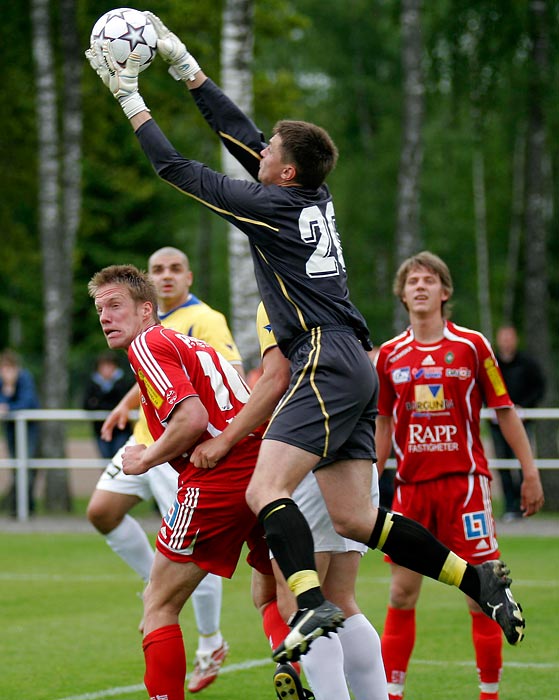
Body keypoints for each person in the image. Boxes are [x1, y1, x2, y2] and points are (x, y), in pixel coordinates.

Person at [86, 16, 526, 664]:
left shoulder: (271, 207)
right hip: (356, 361)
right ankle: (477, 579)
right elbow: (239, 134)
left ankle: (309, 601)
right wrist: (185, 66)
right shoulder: (310, 194)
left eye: (268, 155)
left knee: (263, 490)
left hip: (319, 357)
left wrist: (130, 96)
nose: (257, 153)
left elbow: (176, 167)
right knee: (353, 518)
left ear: (284, 173)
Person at [88, 263, 274, 700]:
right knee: (274, 594)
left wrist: (147, 458)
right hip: (261, 467)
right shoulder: (182, 341)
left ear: (146, 310)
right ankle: (313, 679)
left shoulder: (148, 345)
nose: (105, 317)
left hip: (219, 475)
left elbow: (192, 419)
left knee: (158, 603)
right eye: (100, 310)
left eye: (115, 306)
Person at [191, 302, 388, 700]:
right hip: (352, 452)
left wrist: (227, 439)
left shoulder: (281, 297)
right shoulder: (336, 297)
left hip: (307, 453)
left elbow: (276, 378)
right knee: (340, 600)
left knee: (301, 604)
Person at [374, 251, 545, 700]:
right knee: (401, 595)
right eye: (412, 280)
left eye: (429, 279)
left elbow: (504, 412)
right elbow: (384, 423)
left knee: (481, 594)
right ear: (402, 293)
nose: (419, 286)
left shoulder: (472, 346)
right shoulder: (389, 355)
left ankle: (488, 694)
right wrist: (370, 482)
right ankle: (393, 693)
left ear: (444, 292)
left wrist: (530, 473)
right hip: (411, 491)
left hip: (465, 486)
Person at [489, 325, 546, 521]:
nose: (506, 342)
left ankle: (526, 503)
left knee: (523, 460)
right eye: (503, 338)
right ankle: (509, 505)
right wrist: (489, 407)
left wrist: (525, 407)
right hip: (496, 422)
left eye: (509, 338)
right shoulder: (491, 363)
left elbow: (539, 387)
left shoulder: (527, 364)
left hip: (521, 420)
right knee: (502, 463)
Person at [0, 349, 41, 516]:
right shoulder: (1, 381)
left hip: (29, 429)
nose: (6, 372)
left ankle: (24, 507)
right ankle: (19, 507)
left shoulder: (25, 378)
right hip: (10, 429)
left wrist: (9, 406)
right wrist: (7, 391)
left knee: (27, 465)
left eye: (9, 368)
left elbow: (28, 402)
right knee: (17, 466)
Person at [82, 350, 135, 458]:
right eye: (103, 366)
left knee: (120, 458)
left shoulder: (124, 383)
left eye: (109, 366)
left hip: (121, 430)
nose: (106, 370)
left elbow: (127, 403)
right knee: (105, 459)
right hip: (101, 429)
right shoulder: (93, 384)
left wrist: (98, 403)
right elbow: (86, 405)